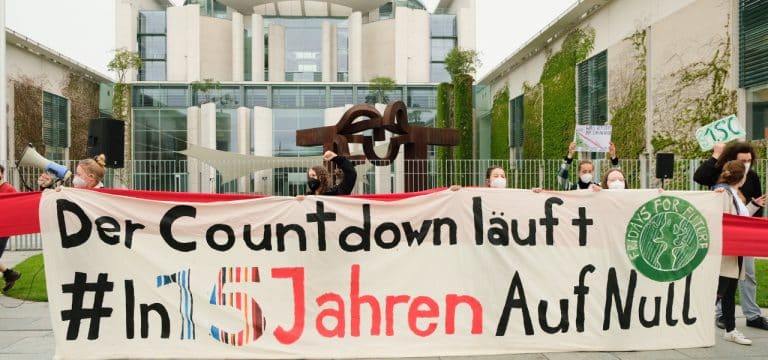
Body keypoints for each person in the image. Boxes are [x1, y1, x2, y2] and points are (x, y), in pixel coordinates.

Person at [693, 141, 768, 331]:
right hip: (726, 239)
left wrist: (754, 212)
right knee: (724, 280)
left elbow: (748, 211)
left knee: (747, 275)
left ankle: (752, 315)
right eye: (743, 160)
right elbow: (700, 176)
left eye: (749, 160)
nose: (747, 164)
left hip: (745, 235)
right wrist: (716, 154)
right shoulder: (721, 181)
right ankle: (720, 316)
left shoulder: (752, 178)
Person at [713, 160, 764, 345]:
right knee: (719, 291)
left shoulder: (734, 194)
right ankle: (696, 325)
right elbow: (722, 219)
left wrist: (753, 205)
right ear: (741, 177)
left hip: (734, 251)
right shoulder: (723, 192)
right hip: (727, 252)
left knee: (728, 292)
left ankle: (730, 329)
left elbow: (738, 220)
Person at [0, 164, 21, 292]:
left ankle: (9, 274)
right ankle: (9, 274)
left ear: (2, 173)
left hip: (3, 230)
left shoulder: (9, 189)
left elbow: (18, 206)